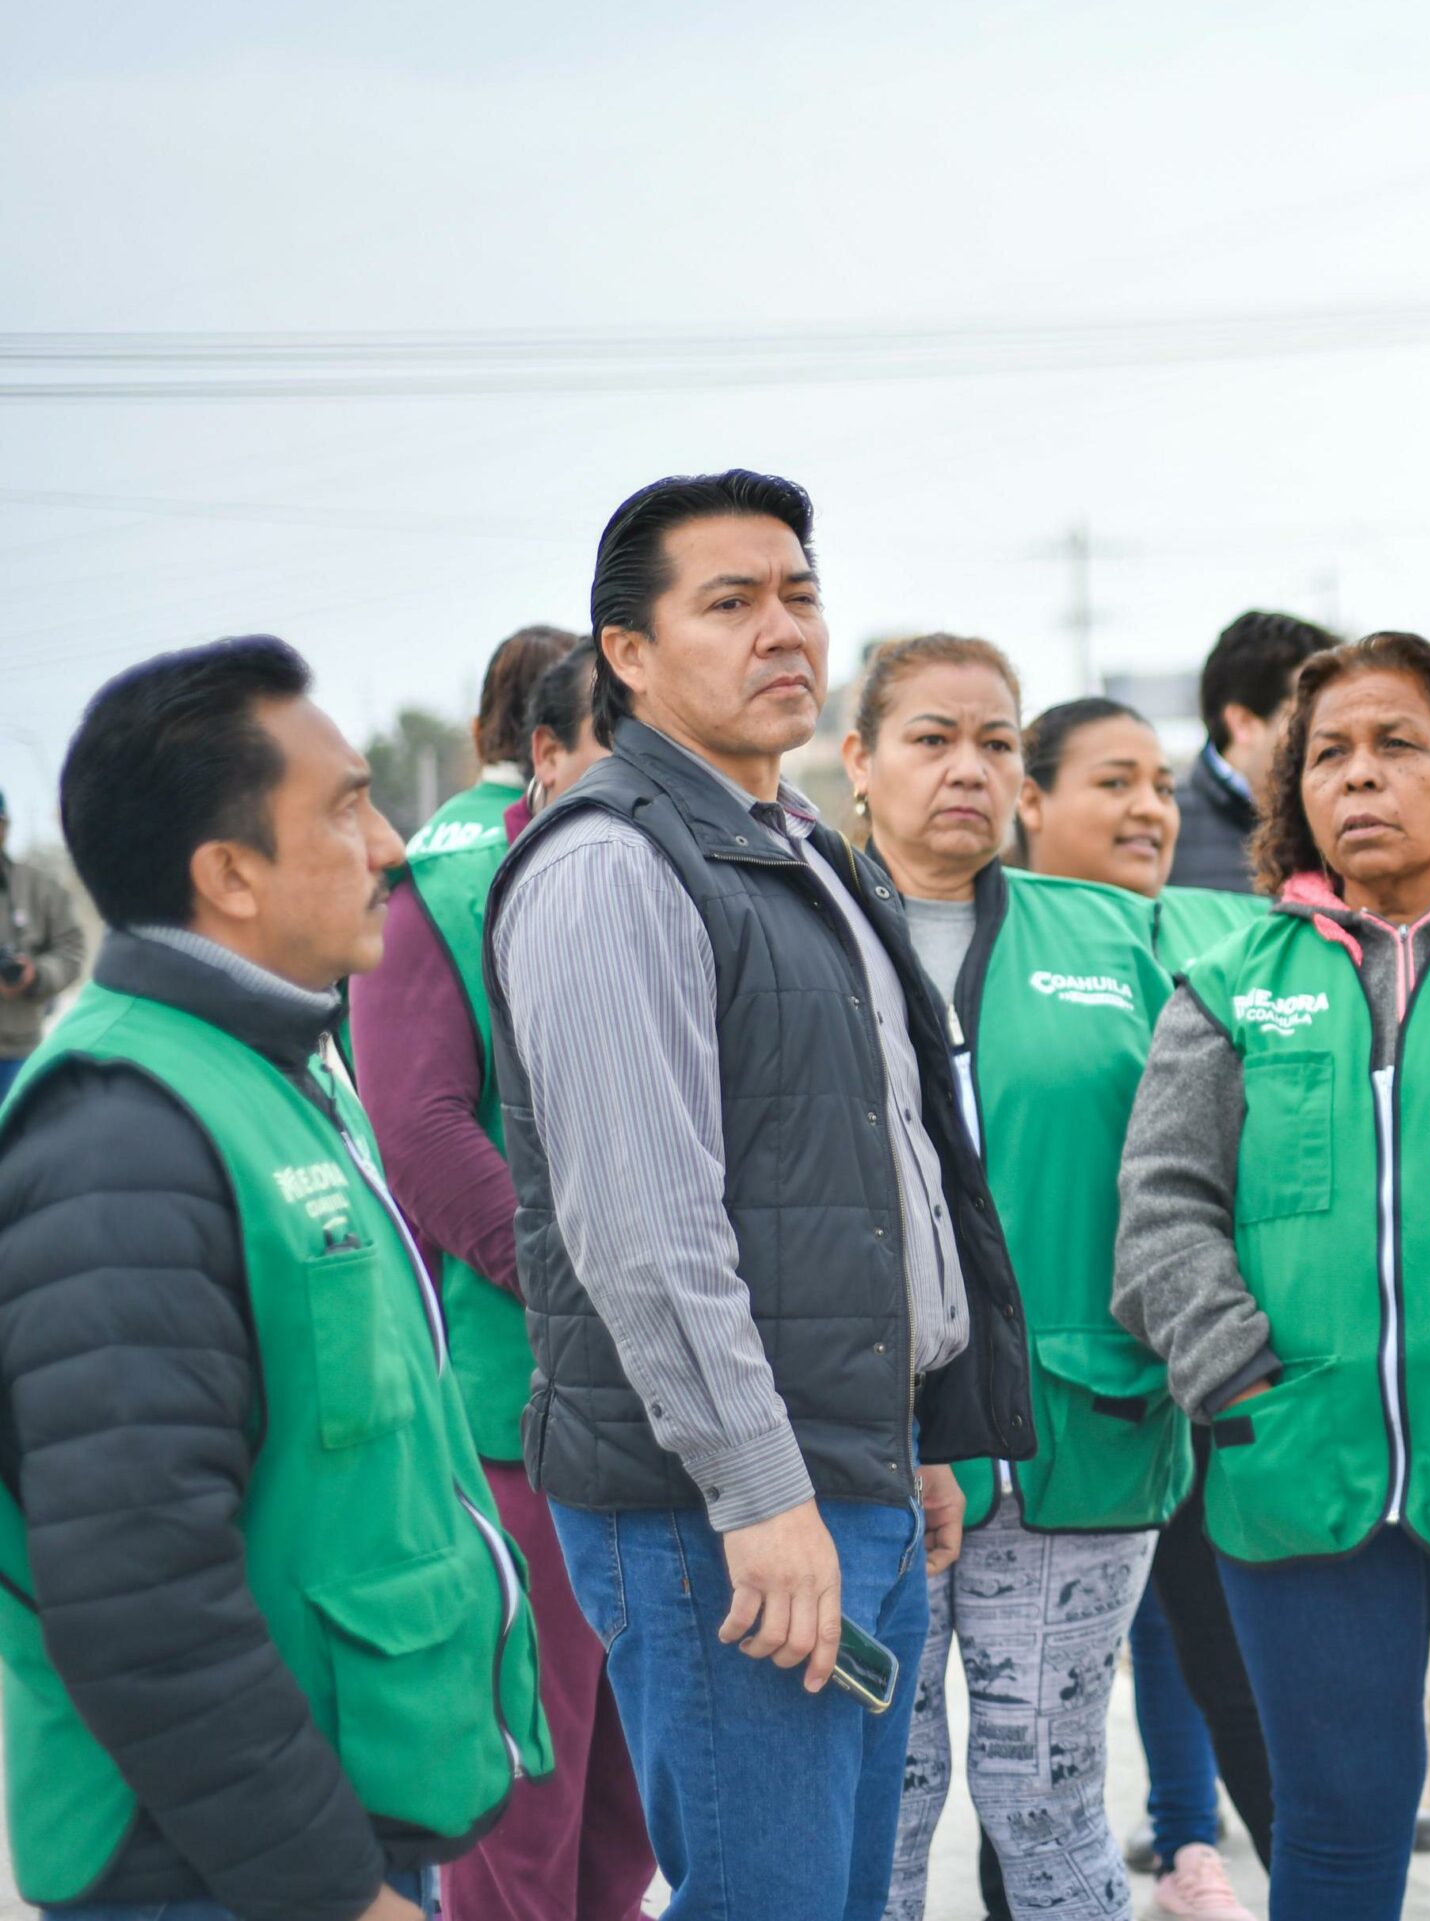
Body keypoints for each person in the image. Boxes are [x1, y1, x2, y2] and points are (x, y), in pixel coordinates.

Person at [486, 471, 1033, 1921]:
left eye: (796, 591)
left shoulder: (795, 848)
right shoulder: (614, 861)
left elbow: (880, 1163)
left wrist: (913, 1422)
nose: (781, 627)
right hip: (720, 1510)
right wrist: (763, 1488)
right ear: (630, 656)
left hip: (843, 1469)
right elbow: (644, 1234)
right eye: (729, 602)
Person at [0, 637, 548, 1921]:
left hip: (312, 1827)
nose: (395, 846)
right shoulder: (121, 1137)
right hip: (218, 1867)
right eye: (349, 807)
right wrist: (332, 1892)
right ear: (230, 874)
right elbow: (139, 1593)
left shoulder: (273, 1070)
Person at [1116, 633, 1430, 1921]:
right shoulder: (1229, 983)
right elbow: (1162, 1209)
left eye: (1397, 743)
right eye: (1328, 753)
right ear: (1294, 789)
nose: (1361, 776)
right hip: (1295, 1468)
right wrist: (1238, 1377)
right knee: (1334, 1832)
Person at [846, 654, 1231, 1921]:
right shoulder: (798, 931)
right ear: (858, 761)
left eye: (996, 741)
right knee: (875, 1816)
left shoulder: (1123, 933)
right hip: (863, 1462)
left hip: (1082, 1441)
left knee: (1047, 1805)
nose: (969, 767)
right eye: (930, 737)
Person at [351, 634, 652, 1921]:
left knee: (621, 1799)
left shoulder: (677, 861)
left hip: (659, 1409)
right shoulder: (452, 877)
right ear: (544, 743)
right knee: (527, 1785)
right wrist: (590, 1283)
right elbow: (417, 1128)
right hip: (511, 1406)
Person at [1163, 611, 1334, 894]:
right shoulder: (1160, 837)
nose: (1328, 735)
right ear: (1243, 723)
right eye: (1307, 716)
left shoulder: (1349, 823)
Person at [0, 785, 91, 1100]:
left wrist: (35, 975)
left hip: (17, 1051)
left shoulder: (39, 887)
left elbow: (72, 950)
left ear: (4, 828)